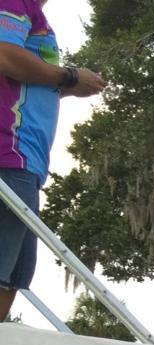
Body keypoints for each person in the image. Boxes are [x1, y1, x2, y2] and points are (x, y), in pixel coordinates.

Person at [0, 0, 104, 323]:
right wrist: (69, 76)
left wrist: (70, 88)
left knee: (12, 278)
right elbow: (4, 53)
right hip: (9, 154)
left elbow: (25, 84)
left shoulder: (37, 16)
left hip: (26, 164)